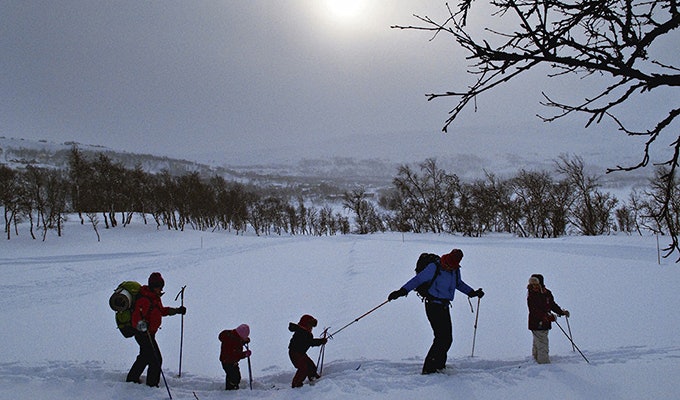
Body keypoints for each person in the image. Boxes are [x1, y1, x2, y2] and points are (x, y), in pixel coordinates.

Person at [387, 248, 484, 374]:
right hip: (433, 305)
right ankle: (429, 369)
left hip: (444, 306)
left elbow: (458, 284)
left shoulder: (455, 270)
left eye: (453, 266)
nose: (450, 268)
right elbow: (417, 280)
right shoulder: (434, 267)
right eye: (448, 265)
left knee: (447, 338)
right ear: (446, 259)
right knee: (441, 337)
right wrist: (402, 291)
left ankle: (439, 365)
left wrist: (472, 292)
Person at [126, 272, 186, 387]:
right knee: (156, 359)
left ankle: (132, 378)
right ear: (154, 286)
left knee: (144, 357)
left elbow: (161, 311)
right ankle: (152, 385)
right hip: (144, 335)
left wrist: (177, 310)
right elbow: (135, 320)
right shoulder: (144, 299)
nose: (161, 289)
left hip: (150, 334)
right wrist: (143, 327)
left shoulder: (154, 298)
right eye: (159, 287)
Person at [527, 274, 569, 364]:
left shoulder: (546, 293)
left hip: (544, 322)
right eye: (532, 283)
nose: (534, 285)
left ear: (540, 283)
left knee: (538, 342)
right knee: (542, 343)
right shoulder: (532, 294)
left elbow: (552, 304)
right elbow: (534, 310)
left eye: (535, 283)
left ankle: (535, 360)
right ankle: (544, 363)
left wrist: (561, 312)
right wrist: (547, 316)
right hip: (536, 322)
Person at [288, 314, 327, 388]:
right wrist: (321, 341)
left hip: (301, 353)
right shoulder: (302, 333)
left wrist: (321, 341)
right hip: (295, 354)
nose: (311, 327)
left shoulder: (304, 332)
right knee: (303, 368)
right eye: (310, 325)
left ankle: (313, 376)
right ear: (305, 324)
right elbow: (310, 342)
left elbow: (310, 341)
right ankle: (296, 384)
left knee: (310, 365)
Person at [218, 324, 252, 390]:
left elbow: (234, 343)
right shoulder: (235, 342)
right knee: (235, 377)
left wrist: (244, 340)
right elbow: (237, 355)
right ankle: (231, 389)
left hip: (226, 360)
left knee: (231, 375)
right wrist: (245, 354)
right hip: (229, 361)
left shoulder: (231, 335)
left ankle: (230, 387)